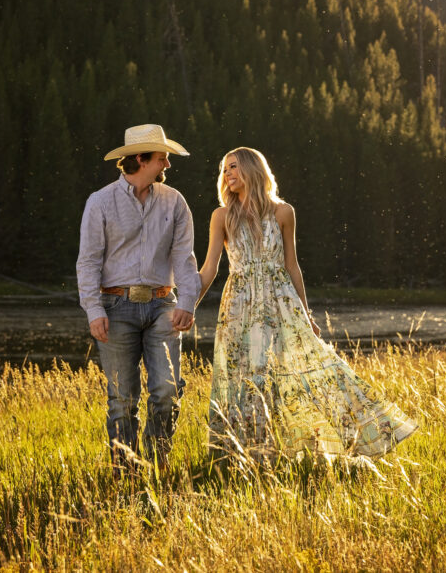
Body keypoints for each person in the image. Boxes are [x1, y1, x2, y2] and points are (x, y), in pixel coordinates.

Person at [197, 147, 417, 461]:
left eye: (234, 167)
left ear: (252, 169)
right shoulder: (221, 216)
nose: (228, 174)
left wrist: (306, 313)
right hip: (239, 308)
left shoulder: (283, 212)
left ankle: (353, 435)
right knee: (245, 377)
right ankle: (249, 456)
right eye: (225, 169)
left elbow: (292, 265)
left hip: (281, 302)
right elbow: (209, 269)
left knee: (307, 369)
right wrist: (188, 306)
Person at [76, 123, 201, 474]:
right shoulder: (100, 202)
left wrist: (186, 303)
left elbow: (184, 258)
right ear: (141, 160)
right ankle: (126, 475)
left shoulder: (174, 202)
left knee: (166, 390)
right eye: (163, 158)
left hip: (164, 303)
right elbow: (88, 261)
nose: (168, 165)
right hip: (115, 307)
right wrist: (94, 309)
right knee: (121, 400)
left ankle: (158, 465)